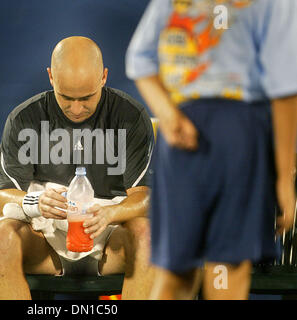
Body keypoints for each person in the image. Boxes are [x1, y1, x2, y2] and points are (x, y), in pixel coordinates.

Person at [126, 0, 297, 299]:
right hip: (240, 136)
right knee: (228, 271)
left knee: (175, 275)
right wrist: (284, 179)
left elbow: (139, 61)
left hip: (180, 137)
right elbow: (284, 89)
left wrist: (168, 115)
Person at [0, 36, 156, 300]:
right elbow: (3, 197)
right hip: (45, 241)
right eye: (65, 97)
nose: (76, 109)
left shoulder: (130, 116)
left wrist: (110, 213)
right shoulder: (24, 118)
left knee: (146, 235)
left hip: (109, 239)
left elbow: (144, 197)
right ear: (51, 77)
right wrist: (35, 201)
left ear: (104, 77)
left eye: (87, 98)